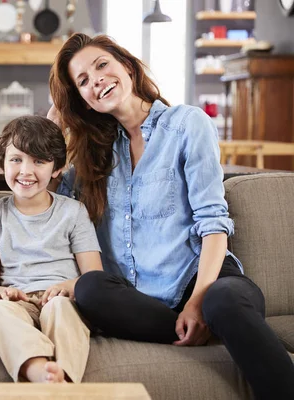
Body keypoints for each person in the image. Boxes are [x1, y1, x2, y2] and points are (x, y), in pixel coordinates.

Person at [48, 33, 294, 399]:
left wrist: (196, 303)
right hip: (142, 305)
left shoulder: (185, 124)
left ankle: (212, 322)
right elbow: (50, 206)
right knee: (90, 288)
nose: (96, 79)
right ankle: (197, 329)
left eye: (102, 65)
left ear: (127, 67)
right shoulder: (93, 156)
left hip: (206, 283)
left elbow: (213, 224)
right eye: (82, 81)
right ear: (81, 99)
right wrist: (55, 124)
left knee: (222, 302)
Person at [0, 115, 102, 384]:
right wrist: (0, 292)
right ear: (3, 162)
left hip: (63, 300)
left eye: (39, 161)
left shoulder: (73, 212)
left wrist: (67, 286)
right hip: (17, 302)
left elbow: (94, 277)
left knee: (60, 309)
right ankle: (40, 373)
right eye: (16, 159)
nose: (26, 171)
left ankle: (64, 376)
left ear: (57, 169)